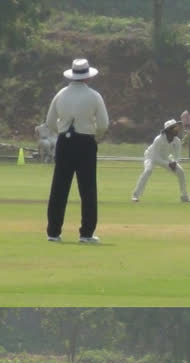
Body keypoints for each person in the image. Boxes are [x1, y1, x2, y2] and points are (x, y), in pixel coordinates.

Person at [45, 58, 109, 243]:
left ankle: (53, 232)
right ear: (87, 78)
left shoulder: (61, 94)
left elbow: (50, 122)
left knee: (59, 188)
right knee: (87, 189)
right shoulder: (94, 96)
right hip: (86, 143)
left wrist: (62, 132)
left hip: (64, 143)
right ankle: (86, 233)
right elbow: (103, 124)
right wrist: (94, 135)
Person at [131, 119, 190, 203]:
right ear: (169, 130)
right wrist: (168, 164)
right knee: (148, 171)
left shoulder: (177, 141)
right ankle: (135, 196)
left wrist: (175, 162)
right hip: (151, 156)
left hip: (165, 157)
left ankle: (185, 196)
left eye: (177, 128)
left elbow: (177, 155)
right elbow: (155, 158)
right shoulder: (158, 139)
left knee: (181, 172)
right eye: (174, 128)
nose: (177, 130)